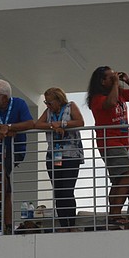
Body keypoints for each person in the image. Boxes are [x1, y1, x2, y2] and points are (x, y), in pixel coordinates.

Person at [86, 66, 129, 228]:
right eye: (110, 77)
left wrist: (128, 80)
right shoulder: (97, 98)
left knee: (119, 178)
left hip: (122, 142)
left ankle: (114, 214)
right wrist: (116, 84)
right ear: (102, 81)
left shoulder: (119, 93)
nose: (114, 79)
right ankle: (115, 214)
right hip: (110, 142)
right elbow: (110, 103)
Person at [0, 79, 34, 233]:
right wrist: (2, 128)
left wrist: (9, 127)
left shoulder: (19, 103)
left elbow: (30, 123)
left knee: (0, 171)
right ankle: (7, 224)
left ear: (4, 97)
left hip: (15, 149)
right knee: (1, 182)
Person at [34, 87, 85, 231]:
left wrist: (63, 124)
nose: (47, 105)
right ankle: (63, 225)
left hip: (70, 155)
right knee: (58, 191)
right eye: (46, 102)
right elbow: (37, 124)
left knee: (67, 190)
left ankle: (71, 224)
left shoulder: (70, 106)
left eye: (50, 102)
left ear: (58, 100)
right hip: (54, 156)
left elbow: (80, 122)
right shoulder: (48, 112)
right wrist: (52, 126)